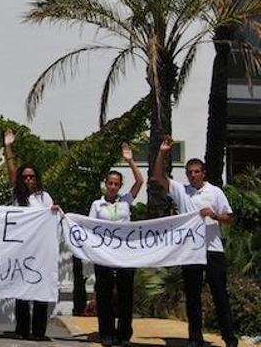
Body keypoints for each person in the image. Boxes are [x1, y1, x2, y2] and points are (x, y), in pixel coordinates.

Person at [152, 136, 237, 347]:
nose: (193, 175)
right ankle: (195, 338)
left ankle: (229, 337)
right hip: (190, 252)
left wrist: (214, 216)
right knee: (192, 297)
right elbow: (157, 176)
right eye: (190, 172)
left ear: (203, 173)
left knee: (219, 295)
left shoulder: (215, 192)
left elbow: (229, 218)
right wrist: (163, 153)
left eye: (196, 171)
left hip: (213, 249)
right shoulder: (181, 190)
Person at [4, 128, 59, 341]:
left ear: (36, 179)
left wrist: (54, 211)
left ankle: (38, 331)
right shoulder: (17, 196)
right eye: (25, 177)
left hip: (41, 252)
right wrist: (8, 146)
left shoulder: (44, 197)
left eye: (31, 177)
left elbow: (51, 220)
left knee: (40, 289)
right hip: (21, 249)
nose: (28, 180)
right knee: (22, 289)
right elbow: (11, 170)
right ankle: (22, 329)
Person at [90, 143, 145, 347]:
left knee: (125, 295)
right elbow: (90, 228)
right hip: (104, 255)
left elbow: (140, 181)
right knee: (104, 295)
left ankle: (123, 334)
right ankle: (106, 333)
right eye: (110, 183)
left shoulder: (125, 201)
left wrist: (130, 160)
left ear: (120, 186)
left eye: (116, 184)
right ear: (105, 184)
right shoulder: (97, 205)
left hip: (125, 255)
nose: (113, 186)